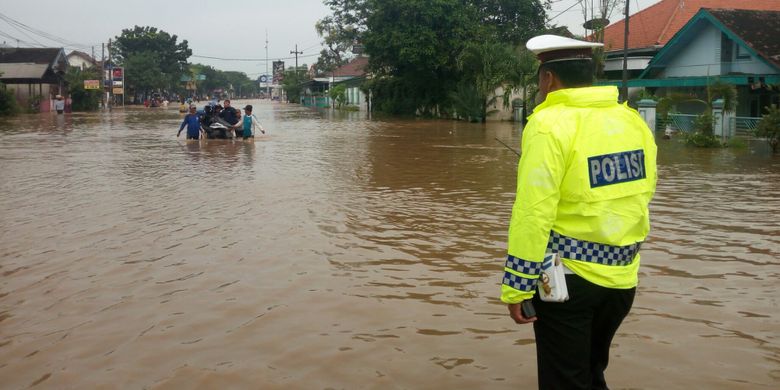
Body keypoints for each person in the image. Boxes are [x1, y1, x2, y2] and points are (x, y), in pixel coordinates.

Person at [500, 34, 658, 390]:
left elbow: (533, 212)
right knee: (590, 372)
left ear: (548, 79)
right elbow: (644, 191)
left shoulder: (548, 124)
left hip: (567, 283)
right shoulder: (632, 121)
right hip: (622, 280)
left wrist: (516, 286)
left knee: (564, 381)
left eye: (540, 81)